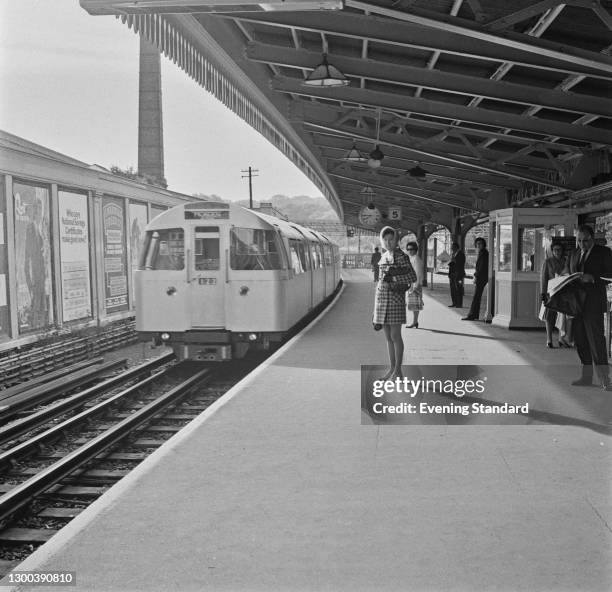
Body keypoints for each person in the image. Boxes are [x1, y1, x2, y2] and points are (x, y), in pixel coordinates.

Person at [564, 224, 612, 390]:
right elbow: (567, 272)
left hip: (593, 304)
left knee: (596, 341)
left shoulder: (604, 253)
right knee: (581, 341)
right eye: (579, 241)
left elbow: (610, 276)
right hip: (576, 304)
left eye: (585, 241)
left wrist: (593, 278)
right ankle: (586, 377)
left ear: (592, 239)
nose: (582, 244)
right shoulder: (573, 254)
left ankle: (605, 379)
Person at [373, 227, 417, 380]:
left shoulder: (401, 256)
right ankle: (392, 370)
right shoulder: (383, 255)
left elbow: (412, 277)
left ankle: (398, 371)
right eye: (385, 239)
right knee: (388, 338)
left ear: (397, 240)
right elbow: (379, 282)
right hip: (381, 301)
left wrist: (394, 279)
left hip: (395, 300)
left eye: (391, 239)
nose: (388, 242)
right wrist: (375, 309)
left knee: (395, 336)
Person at [540, 240, 571, 348]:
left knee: (562, 316)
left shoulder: (566, 261)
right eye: (555, 250)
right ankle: (549, 339)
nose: (557, 252)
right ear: (552, 251)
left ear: (562, 251)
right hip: (551, 292)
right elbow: (543, 278)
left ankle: (561, 338)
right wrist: (543, 293)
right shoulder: (548, 262)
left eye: (559, 250)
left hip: (563, 292)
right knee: (549, 316)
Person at [462, 237, 489, 321]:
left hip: (481, 277)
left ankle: (472, 315)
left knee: (476, 297)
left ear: (483, 244)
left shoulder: (483, 253)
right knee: (477, 296)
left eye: (480, 243)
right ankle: (475, 315)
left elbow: (481, 267)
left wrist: (476, 276)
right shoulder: (482, 252)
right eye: (477, 244)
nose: (478, 245)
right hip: (482, 277)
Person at [404, 241, 423, 328]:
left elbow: (418, 273)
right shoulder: (411, 258)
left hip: (415, 284)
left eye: (411, 249)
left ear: (415, 249)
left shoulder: (417, 259)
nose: (409, 251)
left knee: (415, 304)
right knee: (412, 304)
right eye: (408, 249)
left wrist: (416, 286)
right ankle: (415, 321)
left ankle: (415, 322)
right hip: (411, 284)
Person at [448, 241, 466, 308]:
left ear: (456, 247)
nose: (451, 248)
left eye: (452, 247)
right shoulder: (453, 254)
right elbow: (453, 264)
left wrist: (453, 260)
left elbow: (461, 264)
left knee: (459, 289)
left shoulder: (461, 254)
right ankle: (454, 303)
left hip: (459, 275)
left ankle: (459, 304)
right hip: (452, 274)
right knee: (452, 289)